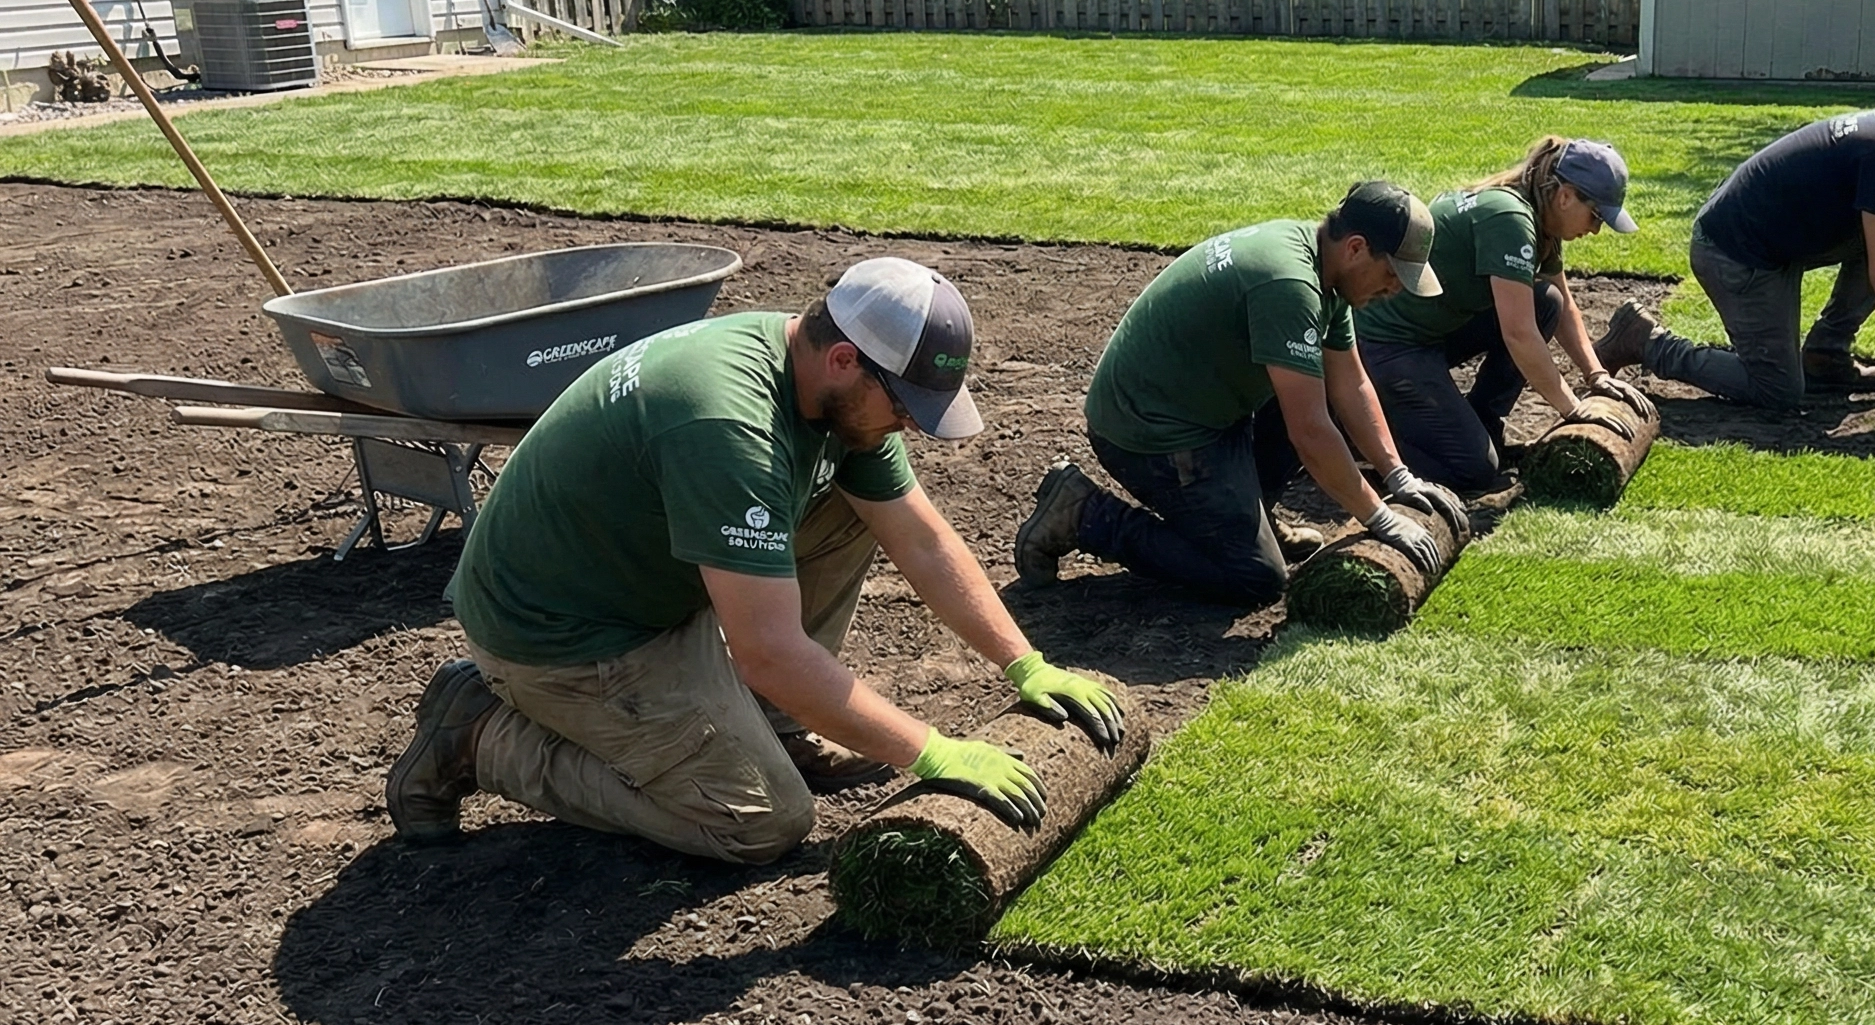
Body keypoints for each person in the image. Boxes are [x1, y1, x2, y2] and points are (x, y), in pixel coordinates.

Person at [385, 258, 1127, 865]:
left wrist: (1024, 664)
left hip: (637, 582)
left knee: (853, 505)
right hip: (565, 639)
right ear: (844, 360)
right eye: (902, 405)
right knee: (758, 823)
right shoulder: (729, 423)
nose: (909, 424)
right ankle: (482, 735)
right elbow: (768, 651)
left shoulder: (822, 388)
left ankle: (771, 729)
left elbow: (921, 538)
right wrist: (930, 753)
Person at [1013, 180, 1471, 606]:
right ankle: (1084, 514)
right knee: (1254, 577)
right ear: (1356, 249)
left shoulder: (1322, 267)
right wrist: (1380, 517)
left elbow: (1350, 382)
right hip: (1150, 432)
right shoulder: (1290, 285)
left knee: (1314, 391)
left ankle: (1256, 519)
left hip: (1202, 410)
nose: (1394, 289)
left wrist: (1397, 476)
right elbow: (1310, 432)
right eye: (1393, 274)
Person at [1594, 74, 1875, 411]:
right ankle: (1646, 342)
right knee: (1776, 390)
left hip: (1767, 244)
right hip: (1734, 254)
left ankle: (1826, 357)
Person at [1352, 137, 1656, 495]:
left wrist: (1597, 376)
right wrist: (1572, 408)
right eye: (1596, 215)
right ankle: (1360, 434)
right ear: (1565, 196)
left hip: (1428, 332)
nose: (1595, 229)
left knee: (1547, 301)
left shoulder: (1538, 214)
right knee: (1473, 470)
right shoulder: (1510, 219)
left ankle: (1481, 422)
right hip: (1385, 347)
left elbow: (1562, 306)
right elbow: (1519, 334)